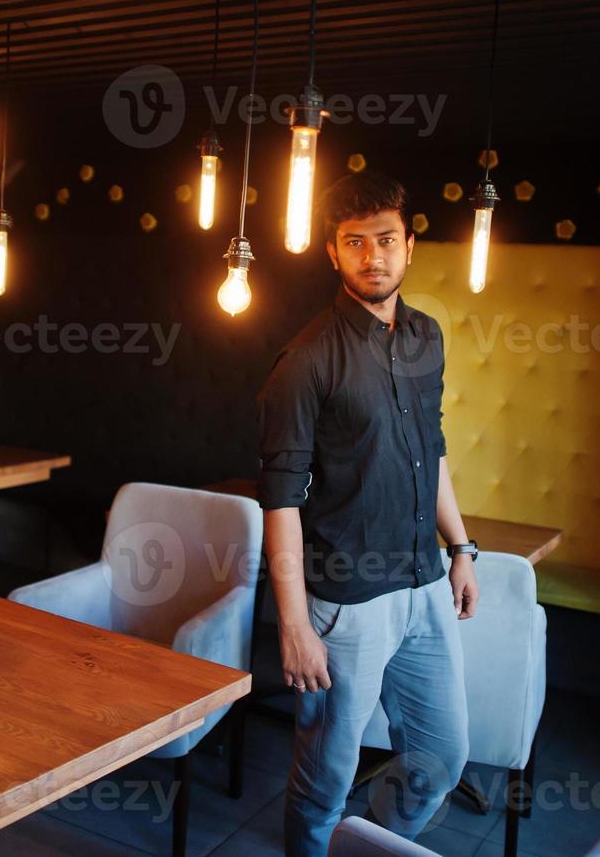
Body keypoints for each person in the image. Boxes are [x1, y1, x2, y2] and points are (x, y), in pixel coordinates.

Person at [256, 170, 478, 856]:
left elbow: (430, 449)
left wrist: (461, 548)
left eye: (384, 239)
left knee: (442, 756)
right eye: (354, 242)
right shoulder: (304, 360)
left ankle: (369, 848)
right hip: (346, 600)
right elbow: (280, 502)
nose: (371, 255)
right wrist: (293, 625)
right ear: (332, 252)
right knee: (326, 774)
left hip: (424, 585)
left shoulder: (426, 337)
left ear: (408, 246)